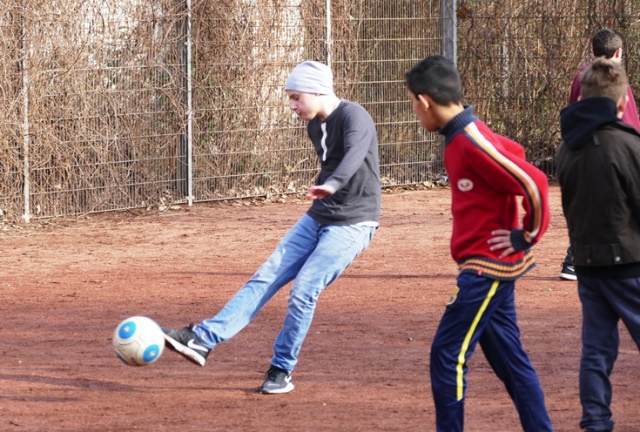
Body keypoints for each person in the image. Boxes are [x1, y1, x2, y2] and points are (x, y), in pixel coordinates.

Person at [160, 60, 381, 394]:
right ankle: (202, 340)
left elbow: (353, 156)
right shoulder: (313, 126)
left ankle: (281, 370)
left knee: (304, 290)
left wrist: (333, 184)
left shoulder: (354, 116)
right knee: (266, 275)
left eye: (296, 97)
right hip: (320, 215)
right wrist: (327, 191)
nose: (292, 106)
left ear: (318, 90)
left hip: (354, 221)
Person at [405, 55, 553, 432]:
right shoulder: (465, 134)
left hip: (485, 269)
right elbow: (513, 151)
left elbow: (533, 180)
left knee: (447, 354)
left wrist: (527, 234)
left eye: (412, 104)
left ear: (424, 101)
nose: (415, 113)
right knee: (511, 362)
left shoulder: (469, 139)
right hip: (491, 267)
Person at [557, 58, 640, 432]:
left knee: (596, 350)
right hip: (629, 264)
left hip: (588, 264)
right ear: (622, 102)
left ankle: (595, 421)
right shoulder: (626, 144)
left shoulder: (568, 149)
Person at [560, 28, 640, 281]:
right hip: (612, 151)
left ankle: (573, 260)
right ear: (618, 52)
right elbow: (628, 120)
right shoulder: (615, 79)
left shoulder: (583, 75)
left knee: (587, 206)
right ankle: (577, 259)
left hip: (580, 149)